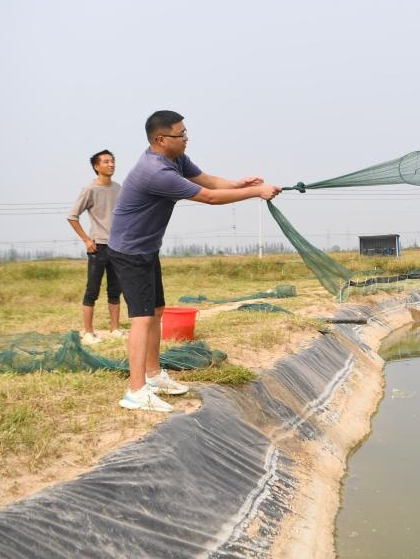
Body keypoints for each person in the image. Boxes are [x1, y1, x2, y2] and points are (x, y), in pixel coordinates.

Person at [108, 111, 281, 412]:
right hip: (129, 251)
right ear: (161, 140)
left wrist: (239, 184)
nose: (186, 138)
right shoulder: (155, 172)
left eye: (186, 133)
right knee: (142, 318)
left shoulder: (175, 159)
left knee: (157, 310)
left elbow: (208, 181)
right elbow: (209, 197)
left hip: (147, 248)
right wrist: (256, 193)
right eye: (181, 134)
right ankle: (135, 392)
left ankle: (153, 375)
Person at [67, 149, 122, 345]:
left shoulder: (118, 188)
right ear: (96, 166)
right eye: (106, 161)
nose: (111, 164)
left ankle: (115, 329)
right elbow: (72, 216)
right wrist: (86, 240)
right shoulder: (89, 189)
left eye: (113, 161)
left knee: (116, 289)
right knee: (92, 290)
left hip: (117, 247)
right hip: (97, 247)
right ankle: (88, 332)